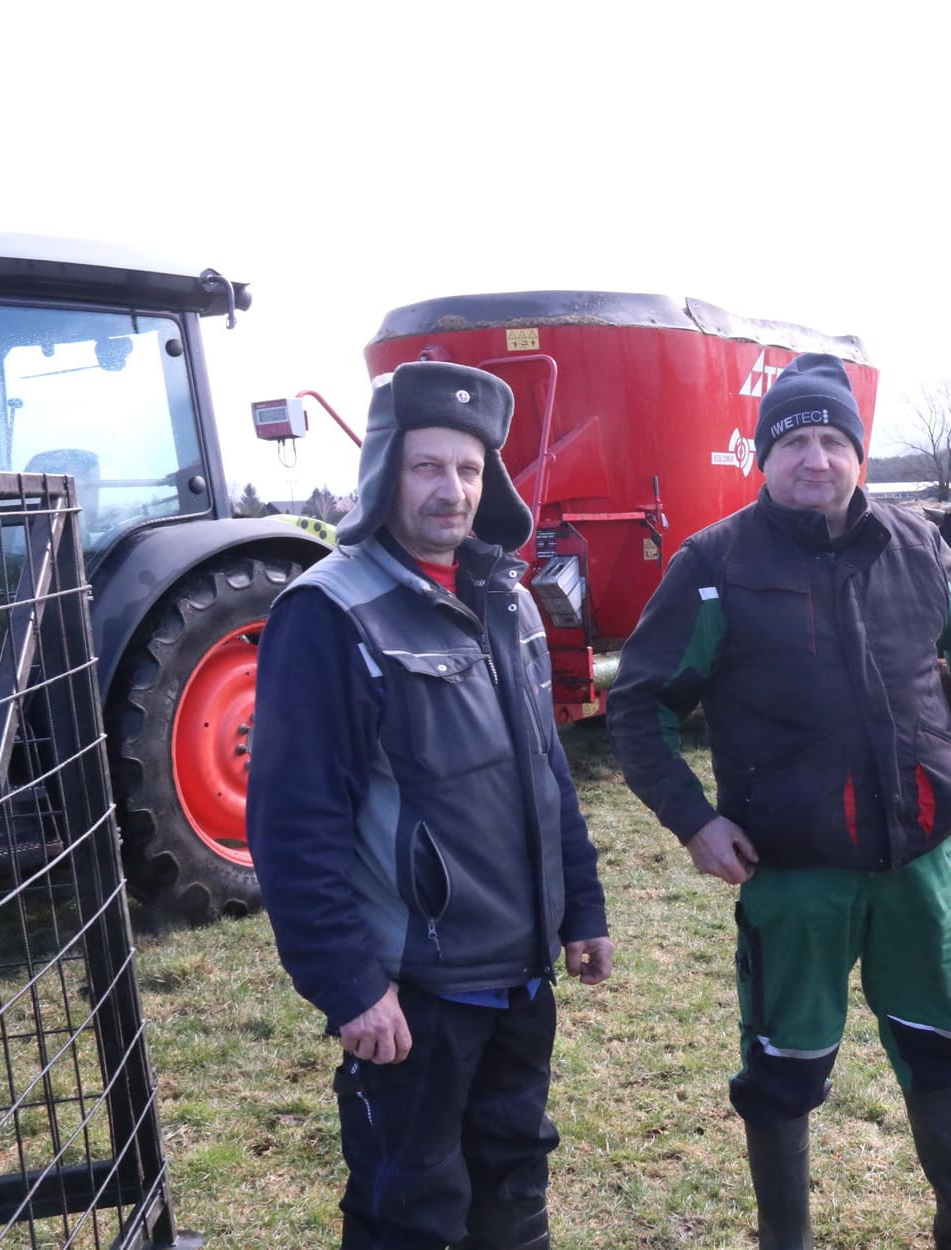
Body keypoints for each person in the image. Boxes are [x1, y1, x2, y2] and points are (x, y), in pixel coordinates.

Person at [608, 353, 951, 1250]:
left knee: (938, 1043)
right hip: (793, 874)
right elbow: (637, 705)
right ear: (762, 460)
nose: (813, 459)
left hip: (919, 866)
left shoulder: (917, 545)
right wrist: (695, 821)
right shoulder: (714, 564)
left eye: (830, 440)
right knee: (785, 1066)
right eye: (792, 444)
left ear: (857, 454)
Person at [249, 360, 613, 1250]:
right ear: (385, 472)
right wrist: (351, 988)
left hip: (520, 972)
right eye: (427, 467)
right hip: (415, 992)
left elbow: (547, 773)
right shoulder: (330, 613)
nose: (451, 490)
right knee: (408, 1206)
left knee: (515, 1175)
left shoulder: (511, 601)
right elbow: (295, 827)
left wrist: (583, 908)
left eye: (468, 469)